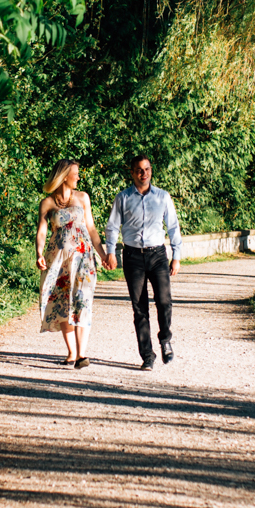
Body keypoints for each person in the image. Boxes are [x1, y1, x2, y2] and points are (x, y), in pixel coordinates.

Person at [102, 153, 182, 370]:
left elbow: (173, 227)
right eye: (139, 169)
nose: (143, 173)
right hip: (133, 256)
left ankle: (165, 339)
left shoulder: (162, 197)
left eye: (146, 169)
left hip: (157, 255)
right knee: (140, 308)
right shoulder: (123, 198)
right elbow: (112, 227)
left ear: (151, 171)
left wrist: (176, 256)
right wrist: (110, 252)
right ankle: (147, 355)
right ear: (132, 173)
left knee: (164, 301)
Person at [35, 159, 113, 369]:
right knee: (62, 303)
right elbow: (42, 231)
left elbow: (92, 229)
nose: (78, 177)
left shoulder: (83, 198)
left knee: (82, 300)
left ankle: (82, 354)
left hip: (83, 258)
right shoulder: (48, 203)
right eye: (75, 173)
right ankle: (71, 352)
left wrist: (103, 255)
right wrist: (39, 252)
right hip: (58, 260)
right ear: (63, 176)